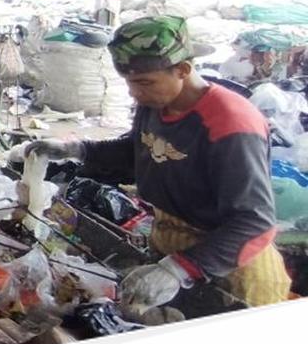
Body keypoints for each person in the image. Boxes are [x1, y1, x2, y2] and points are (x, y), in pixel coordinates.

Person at [28, 15, 291, 310]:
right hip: (173, 241)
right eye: (129, 82)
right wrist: (78, 149)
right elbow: (140, 150)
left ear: (183, 69)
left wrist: (178, 270)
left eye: (144, 82)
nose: (134, 92)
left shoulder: (230, 124)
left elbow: (254, 222)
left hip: (230, 262)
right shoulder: (155, 103)